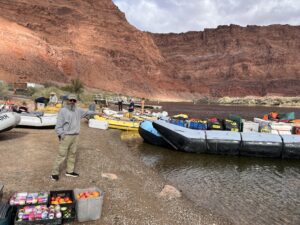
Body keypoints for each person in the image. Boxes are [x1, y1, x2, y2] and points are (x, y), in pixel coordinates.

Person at [51, 94, 96, 181]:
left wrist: (98, 112)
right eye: (70, 100)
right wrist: (62, 134)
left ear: (76, 102)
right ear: (67, 100)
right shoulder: (63, 111)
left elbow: (88, 112)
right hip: (66, 136)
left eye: (74, 101)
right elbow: (58, 126)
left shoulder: (78, 110)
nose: (72, 102)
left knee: (72, 154)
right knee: (61, 155)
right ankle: (54, 173)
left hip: (75, 136)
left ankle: (69, 171)